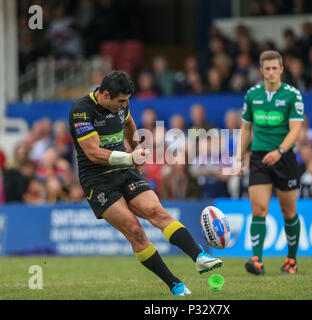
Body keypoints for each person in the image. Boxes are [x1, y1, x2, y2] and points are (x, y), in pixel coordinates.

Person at [68, 71, 222, 296]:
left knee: (155, 211)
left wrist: (135, 147)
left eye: (127, 100)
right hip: (97, 180)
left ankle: (199, 257)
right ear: (105, 95)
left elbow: (129, 123)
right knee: (134, 230)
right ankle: (174, 284)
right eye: (120, 101)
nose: (124, 105)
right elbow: (93, 153)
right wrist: (130, 158)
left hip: (124, 170)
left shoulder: (121, 105)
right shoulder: (81, 111)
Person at [235, 50, 304, 275]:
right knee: (259, 208)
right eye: (268, 68)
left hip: (284, 158)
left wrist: (280, 150)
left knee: (288, 211)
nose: (272, 72)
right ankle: (257, 260)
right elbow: (245, 128)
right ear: (261, 71)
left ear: (282, 69)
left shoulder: (293, 95)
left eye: (275, 68)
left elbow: (296, 130)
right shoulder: (252, 95)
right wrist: (238, 158)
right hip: (258, 158)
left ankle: (291, 261)